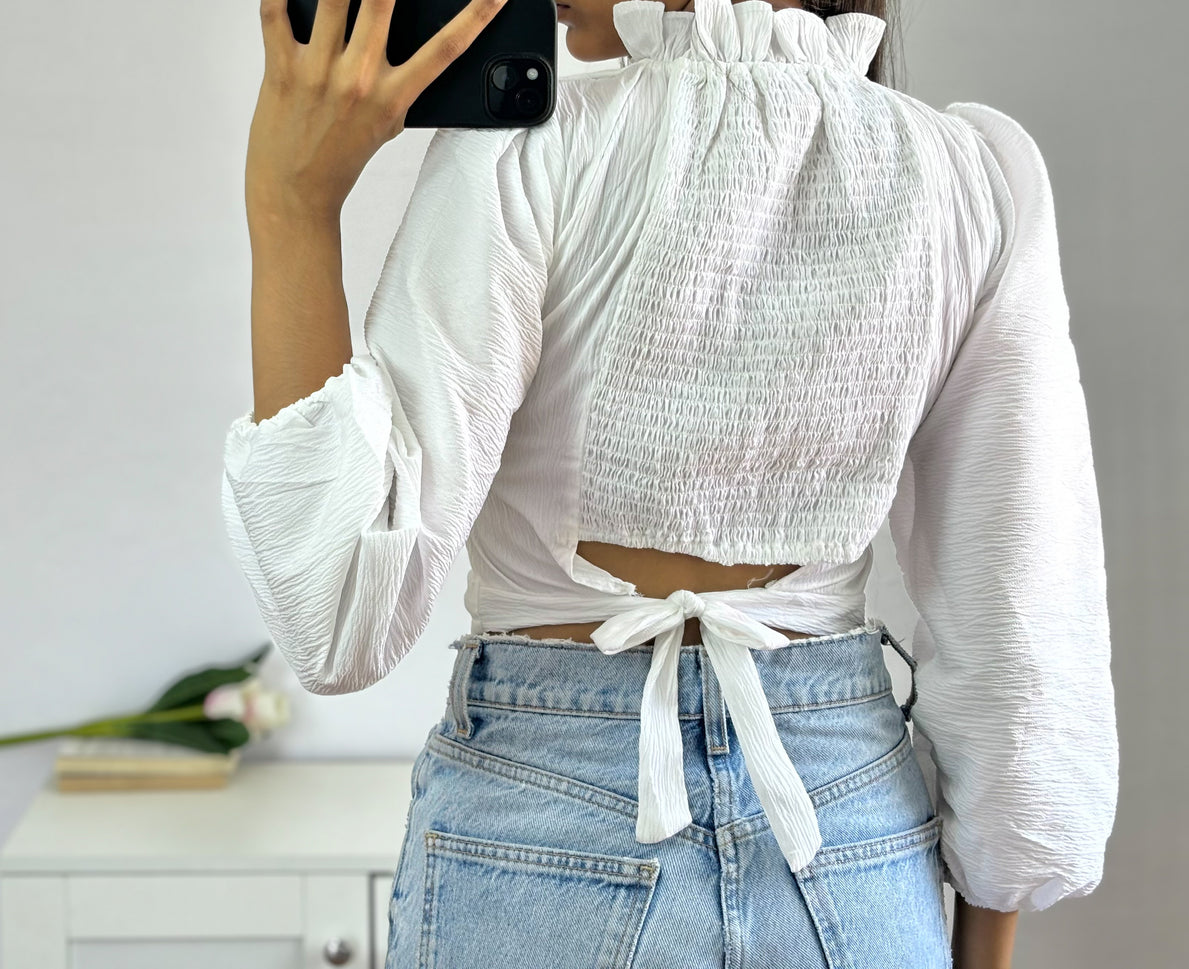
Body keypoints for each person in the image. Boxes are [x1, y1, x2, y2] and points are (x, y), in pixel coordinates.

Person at [223, 0, 1118, 966]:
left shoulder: (533, 153)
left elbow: (336, 618)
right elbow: (1024, 642)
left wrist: (291, 204)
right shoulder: (973, 180)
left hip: (543, 830)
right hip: (851, 847)